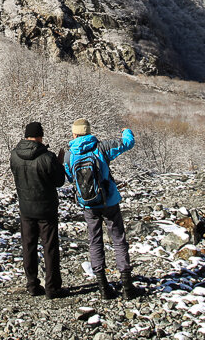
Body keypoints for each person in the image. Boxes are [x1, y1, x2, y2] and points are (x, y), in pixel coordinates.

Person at [60, 118, 137, 299]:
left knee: (94, 240)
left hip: (88, 204)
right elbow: (128, 143)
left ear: (74, 134)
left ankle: (103, 286)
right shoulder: (101, 148)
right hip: (109, 201)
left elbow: (71, 178)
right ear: (88, 132)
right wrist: (126, 130)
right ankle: (126, 284)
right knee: (118, 239)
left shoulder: (69, 156)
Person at [9, 120, 67, 298]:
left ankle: (32, 285)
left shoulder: (14, 155)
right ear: (40, 136)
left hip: (26, 208)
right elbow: (59, 181)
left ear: (26, 135)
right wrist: (59, 163)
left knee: (28, 246)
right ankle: (52, 287)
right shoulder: (47, 157)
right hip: (46, 209)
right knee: (49, 247)